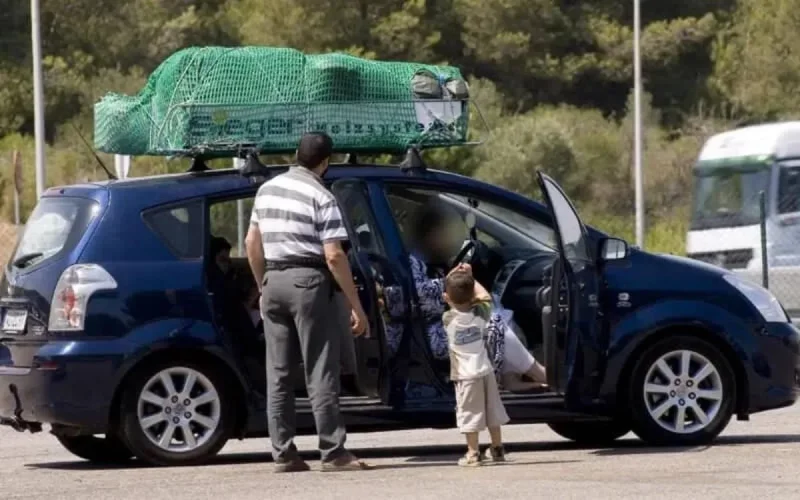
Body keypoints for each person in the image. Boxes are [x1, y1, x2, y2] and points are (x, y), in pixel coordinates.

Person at [245, 132, 370, 473]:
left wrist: (263, 284)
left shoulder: (266, 189)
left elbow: (251, 242)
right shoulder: (322, 195)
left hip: (273, 281)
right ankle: (333, 452)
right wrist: (355, 305)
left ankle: (284, 453)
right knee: (320, 369)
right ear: (326, 162)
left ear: (295, 155)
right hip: (309, 283)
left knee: (280, 373)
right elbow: (333, 255)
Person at [409, 204, 547, 389]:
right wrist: (454, 283)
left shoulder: (429, 259)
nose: (449, 239)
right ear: (431, 234)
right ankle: (538, 373)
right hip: (424, 331)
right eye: (443, 233)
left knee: (495, 313)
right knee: (492, 321)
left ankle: (510, 377)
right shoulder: (413, 261)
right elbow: (417, 297)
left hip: (433, 322)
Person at [443, 265, 509, 467]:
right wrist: (471, 277)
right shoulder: (481, 313)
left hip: (465, 375)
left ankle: (473, 453)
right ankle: (497, 449)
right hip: (485, 370)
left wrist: (451, 274)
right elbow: (486, 296)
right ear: (472, 297)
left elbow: (451, 295)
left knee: (470, 413)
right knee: (492, 411)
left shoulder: (448, 318)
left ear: (447, 298)